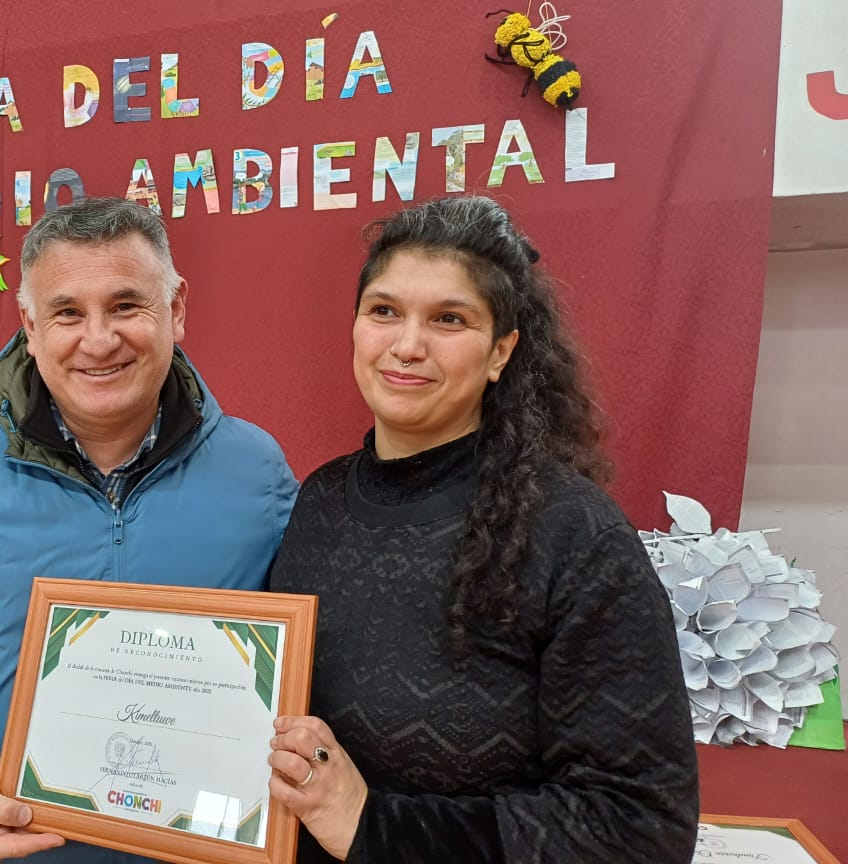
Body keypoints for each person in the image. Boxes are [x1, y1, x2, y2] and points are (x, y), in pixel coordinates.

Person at [0, 197, 298, 864]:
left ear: (176, 309)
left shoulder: (257, 473)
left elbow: (300, 667)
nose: (98, 340)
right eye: (68, 312)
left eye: (126, 305)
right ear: (31, 325)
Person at [266, 196, 698, 863]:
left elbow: (640, 826)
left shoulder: (576, 536)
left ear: (501, 351)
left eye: (449, 319)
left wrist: (372, 824)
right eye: (384, 311)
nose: (407, 345)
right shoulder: (318, 500)